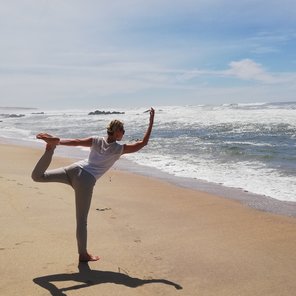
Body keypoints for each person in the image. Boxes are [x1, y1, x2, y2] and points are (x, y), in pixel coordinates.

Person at [31, 108, 155, 262]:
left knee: (37, 176)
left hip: (73, 169)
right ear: (117, 132)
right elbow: (143, 143)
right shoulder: (119, 149)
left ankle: (50, 149)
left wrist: (57, 142)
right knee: (81, 220)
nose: (124, 132)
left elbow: (76, 142)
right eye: (122, 130)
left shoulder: (96, 140)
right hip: (85, 180)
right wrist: (151, 122)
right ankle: (83, 255)